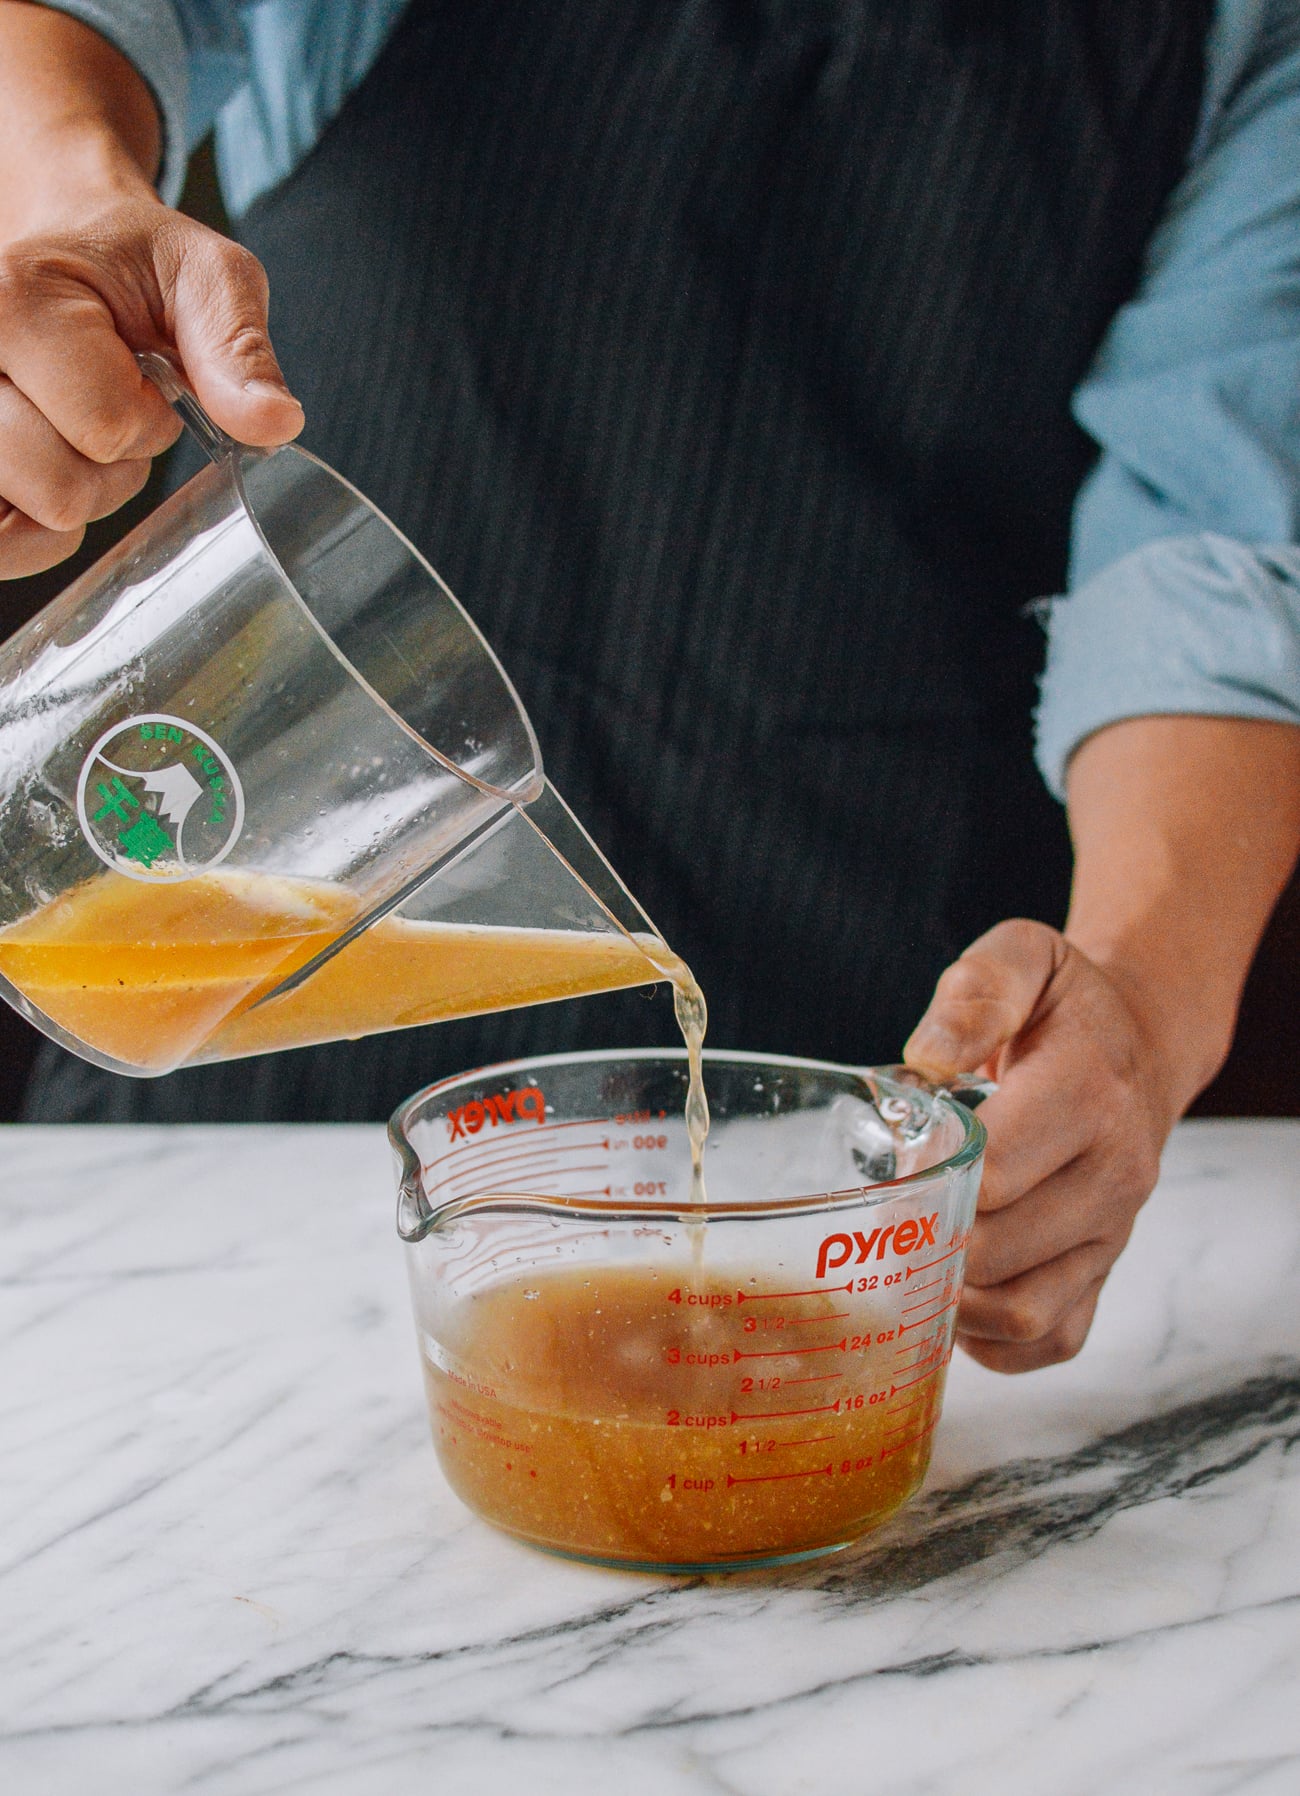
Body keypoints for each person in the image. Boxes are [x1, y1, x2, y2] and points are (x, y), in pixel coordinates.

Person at [2, 0, 1299, 1376]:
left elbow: (1216, 557)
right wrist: (66, 213)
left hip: (837, 1120)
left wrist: (1139, 1015)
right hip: (222, 1065)